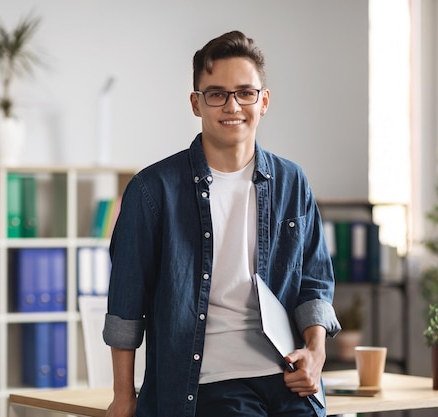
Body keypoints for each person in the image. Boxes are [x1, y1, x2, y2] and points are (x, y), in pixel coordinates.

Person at [103, 30, 341, 417]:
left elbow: (314, 283)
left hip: (287, 377)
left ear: (264, 101)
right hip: (207, 382)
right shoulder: (152, 190)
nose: (232, 106)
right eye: (217, 94)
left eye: (245, 92)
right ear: (196, 104)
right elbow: (126, 303)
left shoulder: (292, 182)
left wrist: (315, 354)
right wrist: (124, 396)